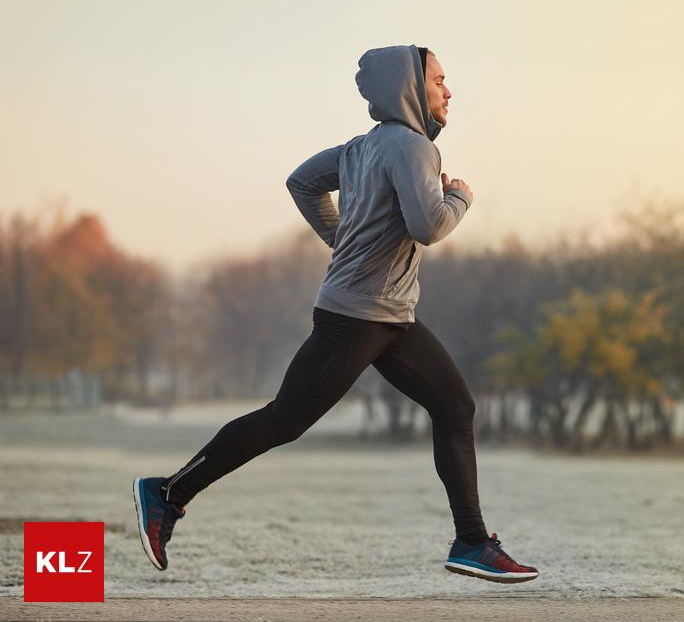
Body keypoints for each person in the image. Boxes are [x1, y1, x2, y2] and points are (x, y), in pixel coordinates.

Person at [132, 44, 538, 584]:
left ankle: (471, 541)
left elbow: (301, 182)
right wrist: (460, 198)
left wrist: (341, 238)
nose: (449, 91)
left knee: (455, 407)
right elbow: (429, 226)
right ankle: (167, 493)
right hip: (357, 317)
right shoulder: (414, 148)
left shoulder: (361, 148)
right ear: (410, 87)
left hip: (393, 318)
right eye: (439, 80)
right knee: (284, 419)